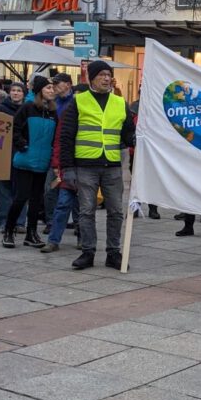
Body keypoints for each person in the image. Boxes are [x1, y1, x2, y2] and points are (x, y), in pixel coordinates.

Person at [59, 60, 135, 270]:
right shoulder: (78, 101)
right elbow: (66, 136)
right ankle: (88, 252)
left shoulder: (120, 102)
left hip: (112, 165)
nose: (106, 78)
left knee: (116, 211)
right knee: (86, 211)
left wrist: (135, 138)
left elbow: (127, 133)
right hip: (85, 165)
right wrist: (67, 168)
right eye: (101, 74)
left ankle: (113, 252)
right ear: (91, 78)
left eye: (108, 75)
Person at [2, 76, 58, 249]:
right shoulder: (28, 107)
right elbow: (15, 128)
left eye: (52, 88)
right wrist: (22, 145)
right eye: (48, 88)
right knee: (21, 197)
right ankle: (8, 231)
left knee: (36, 200)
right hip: (25, 160)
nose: (52, 90)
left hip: (42, 162)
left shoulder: (53, 112)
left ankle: (31, 234)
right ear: (40, 90)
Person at [44, 73, 77, 231]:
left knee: (74, 190)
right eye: (54, 83)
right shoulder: (52, 103)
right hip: (54, 150)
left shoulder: (76, 102)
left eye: (58, 83)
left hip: (72, 153)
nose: (55, 86)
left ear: (68, 84)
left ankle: (77, 223)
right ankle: (51, 222)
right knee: (50, 188)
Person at [0, 82, 27, 233]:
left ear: (23, 94)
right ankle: (4, 222)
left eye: (19, 91)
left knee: (21, 191)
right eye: (13, 90)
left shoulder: (28, 109)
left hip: (21, 153)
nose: (15, 93)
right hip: (4, 154)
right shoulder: (1, 108)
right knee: (5, 191)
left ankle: (20, 222)